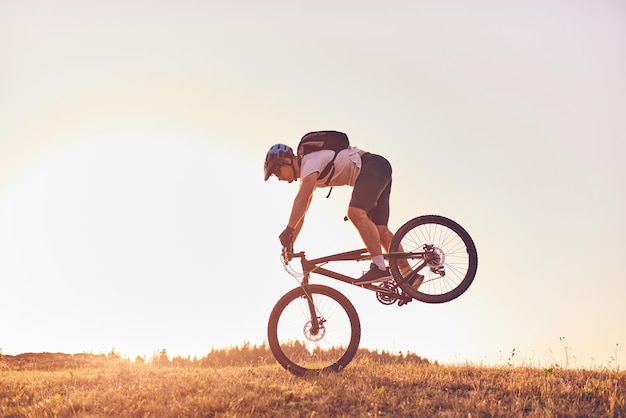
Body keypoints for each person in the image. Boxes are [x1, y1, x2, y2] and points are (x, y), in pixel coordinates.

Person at [263, 139, 423, 287]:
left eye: (277, 173)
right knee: (380, 230)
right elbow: (302, 212)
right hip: (379, 168)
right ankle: (410, 275)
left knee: (355, 212)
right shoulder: (309, 173)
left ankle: (379, 268)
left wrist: (288, 229)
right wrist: (290, 242)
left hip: (372, 166)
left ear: (286, 161)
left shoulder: (309, 162)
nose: (278, 178)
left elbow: (302, 198)